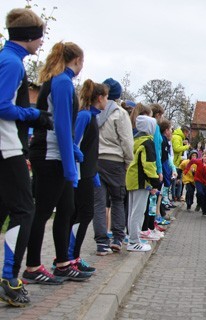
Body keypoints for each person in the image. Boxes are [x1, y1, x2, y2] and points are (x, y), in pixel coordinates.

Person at [25, 41, 91, 284]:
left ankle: (62, 263)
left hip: (56, 153)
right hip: (50, 155)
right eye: (82, 61)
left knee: (66, 210)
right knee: (42, 211)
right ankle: (32, 266)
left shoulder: (59, 80)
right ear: (77, 60)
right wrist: (69, 166)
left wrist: (70, 154)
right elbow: (63, 126)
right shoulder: (62, 82)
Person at [0, 7, 51, 307]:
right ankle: (9, 279)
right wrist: (35, 115)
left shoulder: (7, 58)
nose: (41, 43)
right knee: (24, 211)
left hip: (7, 145)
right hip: (6, 146)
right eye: (40, 37)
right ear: (30, 37)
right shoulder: (12, 63)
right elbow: (2, 106)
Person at [66, 80, 107, 273]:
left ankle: (72, 256)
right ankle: (70, 256)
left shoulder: (93, 117)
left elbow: (90, 149)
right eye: (106, 96)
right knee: (83, 214)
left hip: (89, 173)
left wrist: (95, 171)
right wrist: (78, 165)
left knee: (83, 214)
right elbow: (74, 141)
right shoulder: (84, 116)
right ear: (100, 98)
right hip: (81, 174)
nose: (107, 100)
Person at [92, 78, 133, 256]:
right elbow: (126, 139)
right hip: (115, 160)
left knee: (100, 203)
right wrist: (128, 161)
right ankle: (117, 238)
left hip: (96, 159)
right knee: (117, 200)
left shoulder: (93, 111)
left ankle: (101, 241)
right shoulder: (120, 113)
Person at [125, 115, 162, 252]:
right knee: (138, 212)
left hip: (132, 178)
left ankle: (131, 237)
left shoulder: (136, 140)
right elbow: (149, 165)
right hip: (141, 180)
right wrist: (155, 182)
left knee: (132, 211)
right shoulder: (148, 143)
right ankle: (134, 241)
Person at [183, 152, 206, 217]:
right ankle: (199, 202)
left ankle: (204, 210)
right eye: (205, 156)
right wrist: (186, 169)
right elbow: (191, 161)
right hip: (198, 180)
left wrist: (205, 167)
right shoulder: (198, 161)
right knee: (200, 193)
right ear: (202, 157)